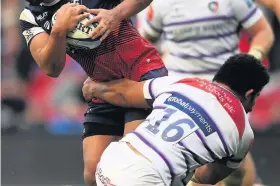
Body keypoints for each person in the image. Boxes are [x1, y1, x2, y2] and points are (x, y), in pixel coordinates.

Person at [9, 0, 168, 186]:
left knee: (133, 166)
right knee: (92, 174)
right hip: (103, 88)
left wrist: (114, 15)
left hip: (143, 74)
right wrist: (59, 29)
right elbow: (51, 69)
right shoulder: (30, 17)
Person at [140, 0, 274, 186]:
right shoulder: (162, 2)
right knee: (192, 167)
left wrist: (250, 61)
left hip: (225, 94)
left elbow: (263, 31)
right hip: (182, 95)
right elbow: (142, 47)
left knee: (235, 170)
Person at [182, 0, 280, 185]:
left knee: (225, 151)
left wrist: (253, 57)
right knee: (222, 155)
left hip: (228, 77)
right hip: (192, 76)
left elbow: (277, 3)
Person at [81, 53, 270, 186]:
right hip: (147, 179)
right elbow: (209, 178)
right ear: (250, 93)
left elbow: (126, 93)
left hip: (110, 162)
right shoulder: (243, 132)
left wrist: (94, 89)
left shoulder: (184, 82)